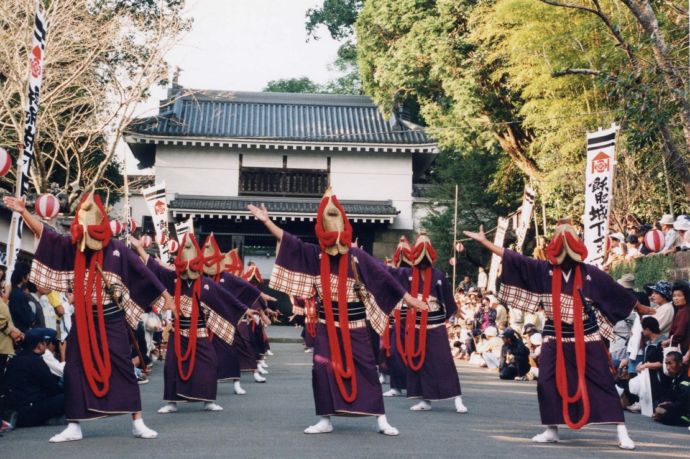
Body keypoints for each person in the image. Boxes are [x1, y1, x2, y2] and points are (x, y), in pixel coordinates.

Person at [248, 189, 427, 436]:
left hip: (356, 327)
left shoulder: (357, 256)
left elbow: (383, 277)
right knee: (322, 369)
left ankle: (381, 419)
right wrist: (268, 222)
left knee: (366, 368)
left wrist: (408, 298)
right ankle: (325, 418)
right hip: (325, 325)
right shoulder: (315, 255)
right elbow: (291, 243)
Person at [464, 220, 655, 449]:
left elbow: (614, 291)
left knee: (602, 381)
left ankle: (621, 432)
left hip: (586, 335)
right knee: (546, 382)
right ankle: (551, 429)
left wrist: (639, 307)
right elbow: (515, 259)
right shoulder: (543, 270)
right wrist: (486, 243)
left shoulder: (589, 272)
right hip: (554, 335)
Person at [3, 193, 173, 442]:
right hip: (83, 320)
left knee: (124, 368)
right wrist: (24, 212)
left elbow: (142, 273)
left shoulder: (117, 249)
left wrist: (165, 295)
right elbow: (47, 236)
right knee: (74, 371)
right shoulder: (75, 246)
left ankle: (137, 421)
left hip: (112, 320)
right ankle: (74, 425)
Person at [130, 233, 256, 414]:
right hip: (178, 330)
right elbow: (154, 268)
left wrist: (245, 310)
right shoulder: (173, 279)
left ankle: (208, 400)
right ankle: (171, 402)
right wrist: (140, 249)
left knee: (209, 363)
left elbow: (226, 298)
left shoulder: (205, 283)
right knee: (172, 365)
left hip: (200, 332)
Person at [387, 232, 467, 413]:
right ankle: (425, 400)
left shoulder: (438, 276)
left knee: (444, 361)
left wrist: (455, 311)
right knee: (419, 362)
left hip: (435, 325)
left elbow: (448, 300)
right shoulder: (407, 274)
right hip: (415, 326)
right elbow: (387, 272)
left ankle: (457, 399)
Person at [200, 234, 274, 394]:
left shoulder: (226, 277)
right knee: (204, 356)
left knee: (236, 350)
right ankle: (204, 388)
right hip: (204, 322)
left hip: (228, 319)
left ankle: (239, 381)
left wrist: (260, 298)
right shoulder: (199, 278)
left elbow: (245, 288)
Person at [2, 328, 64, 427]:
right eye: (44, 343)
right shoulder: (36, 362)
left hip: (16, 410)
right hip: (30, 411)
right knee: (67, 396)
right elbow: (52, 387)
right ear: (39, 346)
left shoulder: (15, 360)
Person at [381, 236, 413, 398]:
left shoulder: (396, 272)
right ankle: (404, 386)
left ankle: (398, 387)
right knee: (398, 351)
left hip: (408, 316)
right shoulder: (418, 273)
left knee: (398, 351)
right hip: (405, 316)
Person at [652, 351, 690, 426]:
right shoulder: (675, 378)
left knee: (666, 416)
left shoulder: (686, 379)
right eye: (666, 364)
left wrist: (668, 405)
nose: (667, 367)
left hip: (685, 413)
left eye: (670, 363)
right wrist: (662, 403)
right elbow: (669, 396)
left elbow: (683, 403)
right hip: (676, 407)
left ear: (679, 363)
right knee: (656, 405)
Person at [8, 262, 37, 334]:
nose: (29, 277)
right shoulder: (20, 295)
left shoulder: (13, 291)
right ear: (23, 276)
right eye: (28, 274)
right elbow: (29, 317)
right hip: (21, 331)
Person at [663, 281, 690, 354]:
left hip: (682, 349)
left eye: (679, 295)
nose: (676, 298)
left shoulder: (684, 311)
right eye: (674, 296)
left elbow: (679, 332)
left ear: (686, 296)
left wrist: (669, 341)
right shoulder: (681, 309)